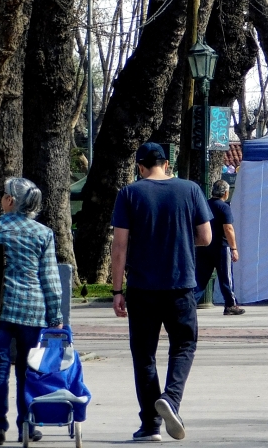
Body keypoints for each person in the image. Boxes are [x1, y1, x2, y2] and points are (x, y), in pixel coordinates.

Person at [111, 142, 213, 442]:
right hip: (180, 284)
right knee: (184, 345)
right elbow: (206, 237)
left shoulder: (130, 194)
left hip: (142, 288)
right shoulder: (190, 190)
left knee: (144, 355)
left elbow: (119, 246)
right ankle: (171, 398)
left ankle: (150, 425)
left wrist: (117, 290)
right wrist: (179, 239)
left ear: (140, 167)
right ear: (166, 164)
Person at [0, 178, 63, 446]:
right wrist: (56, 317)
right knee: (29, 369)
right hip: (33, 310)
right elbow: (50, 279)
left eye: (3, 194)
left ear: (10, 201)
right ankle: (29, 423)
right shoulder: (43, 233)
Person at [195, 179, 244, 316]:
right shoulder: (224, 207)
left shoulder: (205, 205)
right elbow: (228, 228)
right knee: (225, 278)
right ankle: (230, 304)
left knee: (200, 278)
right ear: (226, 193)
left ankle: (189, 303)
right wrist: (234, 248)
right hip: (221, 247)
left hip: (204, 246)